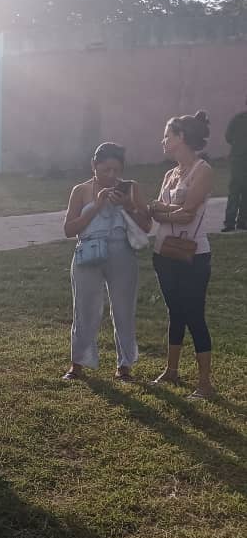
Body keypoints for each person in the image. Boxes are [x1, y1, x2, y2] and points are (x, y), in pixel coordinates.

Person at [62, 143, 152, 382]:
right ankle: (78, 363)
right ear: (94, 166)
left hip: (121, 251)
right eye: (106, 170)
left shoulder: (131, 188)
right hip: (88, 252)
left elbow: (146, 226)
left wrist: (127, 205)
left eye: (116, 170)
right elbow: (69, 229)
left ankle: (124, 366)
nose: (111, 176)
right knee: (85, 309)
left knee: (123, 309)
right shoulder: (80, 190)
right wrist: (97, 206)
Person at [148, 111, 217, 399]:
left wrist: (163, 211)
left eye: (167, 135)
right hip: (163, 252)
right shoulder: (169, 174)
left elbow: (188, 216)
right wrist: (168, 212)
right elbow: (157, 210)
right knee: (174, 311)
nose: (163, 141)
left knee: (193, 314)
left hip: (192, 254)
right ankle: (171, 370)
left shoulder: (203, 170)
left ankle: (204, 384)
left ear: (181, 137)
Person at [222, 94, 247, 232]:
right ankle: (242, 221)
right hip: (240, 159)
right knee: (242, 190)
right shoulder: (238, 119)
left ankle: (230, 222)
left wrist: (238, 145)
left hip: (238, 158)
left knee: (235, 190)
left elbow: (228, 137)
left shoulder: (237, 119)